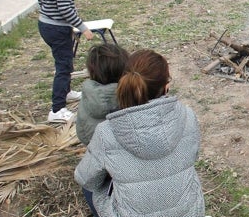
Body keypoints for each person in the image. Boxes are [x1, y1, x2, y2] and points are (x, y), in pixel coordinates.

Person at [74, 49, 205, 217]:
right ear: (166, 86)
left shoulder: (106, 132)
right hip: (191, 212)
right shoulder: (188, 115)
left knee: (92, 186)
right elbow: (192, 156)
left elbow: (85, 179)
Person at [33, 0, 93, 123]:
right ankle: (57, 109)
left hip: (45, 24)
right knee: (63, 66)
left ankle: (66, 92)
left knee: (64, 60)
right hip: (57, 29)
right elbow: (66, 9)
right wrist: (83, 28)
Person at [76, 43, 130, 146]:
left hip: (92, 142)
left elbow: (81, 129)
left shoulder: (88, 92)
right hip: (120, 148)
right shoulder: (125, 94)